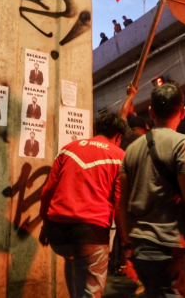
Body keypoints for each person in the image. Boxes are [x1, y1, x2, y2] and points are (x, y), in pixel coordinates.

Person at [119, 82, 185, 297]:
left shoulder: (131, 150)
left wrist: (127, 246)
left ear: (151, 112)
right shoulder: (183, 145)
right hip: (169, 247)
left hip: (140, 248)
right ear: (183, 112)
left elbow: (122, 204)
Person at [39, 113, 128, 298]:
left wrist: (45, 225)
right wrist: (126, 243)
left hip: (57, 235)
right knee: (90, 292)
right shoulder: (119, 156)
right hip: (90, 234)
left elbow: (48, 191)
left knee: (72, 258)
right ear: (118, 137)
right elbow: (120, 204)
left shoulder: (67, 149)